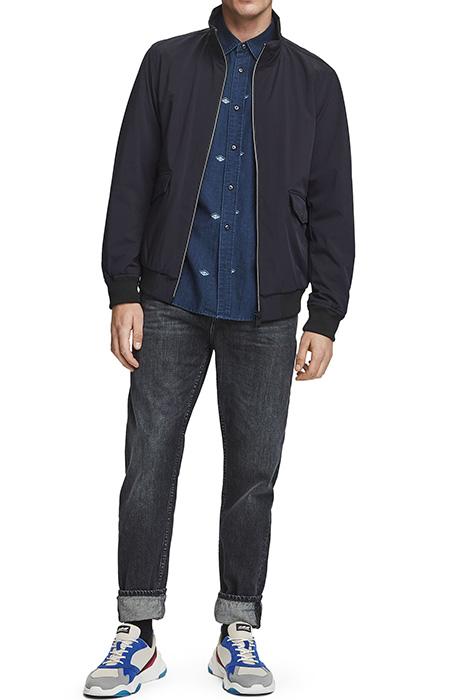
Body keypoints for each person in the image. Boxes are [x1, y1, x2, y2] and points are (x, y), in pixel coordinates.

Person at [84, 1, 354, 696]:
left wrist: (325, 314)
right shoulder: (166, 63)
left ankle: (237, 629)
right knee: (148, 465)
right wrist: (123, 289)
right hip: (169, 299)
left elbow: (332, 201)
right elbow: (132, 176)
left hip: (267, 312)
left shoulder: (315, 81)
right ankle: (137, 632)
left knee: (252, 477)